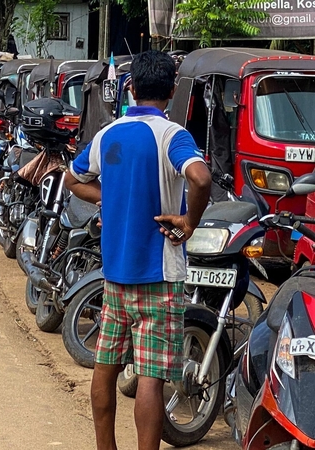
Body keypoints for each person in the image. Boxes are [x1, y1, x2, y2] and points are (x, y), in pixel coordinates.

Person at [64, 50, 211, 450]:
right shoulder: (172, 136)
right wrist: (189, 222)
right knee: (150, 378)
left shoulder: (107, 134)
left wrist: (108, 198)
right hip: (159, 276)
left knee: (105, 366)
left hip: (114, 274)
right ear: (172, 90)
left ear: (131, 89)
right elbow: (200, 178)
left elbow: (72, 180)